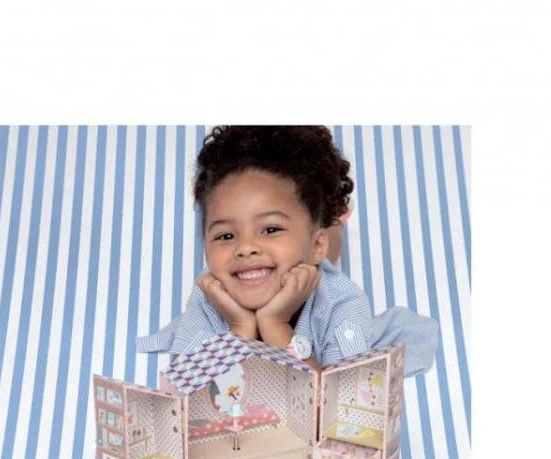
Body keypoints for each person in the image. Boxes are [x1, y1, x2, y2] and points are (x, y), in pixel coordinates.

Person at [137, 125, 437, 377]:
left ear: (317, 245)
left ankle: (327, 232)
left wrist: (276, 325)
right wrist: (240, 328)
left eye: (270, 229)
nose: (245, 248)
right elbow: (183, 401)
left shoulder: (341, 302)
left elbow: (339, 410)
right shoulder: (208, 297)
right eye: (225, 235)